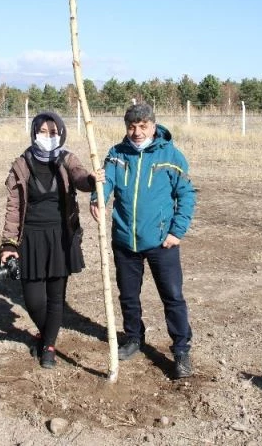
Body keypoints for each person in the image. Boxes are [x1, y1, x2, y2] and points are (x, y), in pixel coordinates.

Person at [90, 103, 196, 379]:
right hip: (125, 240)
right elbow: (105, 185)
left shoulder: (171, 156)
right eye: (132, 126)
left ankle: (181, 350)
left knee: (172, 296)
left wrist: (176, 231)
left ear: (153, 126)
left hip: (162, 241)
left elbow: (186, 195)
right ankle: (134, 338)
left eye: (143, 126)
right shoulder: (116, 154)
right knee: (128, 295)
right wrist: (96, 198)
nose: (137, 132)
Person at [0, 111, 102, 369]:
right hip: (31, 238)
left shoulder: (67, 159)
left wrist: (91, 180)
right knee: (34, 299)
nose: (48, 137)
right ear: (34, 133)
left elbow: (80, 177)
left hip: (60, 236)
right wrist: (9, 243)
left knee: (56, 296)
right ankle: (47, 334)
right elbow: (13, 207)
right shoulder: (22, 164)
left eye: (53, 133)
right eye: (43, 132)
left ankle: (49, 346)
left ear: (61, 134)